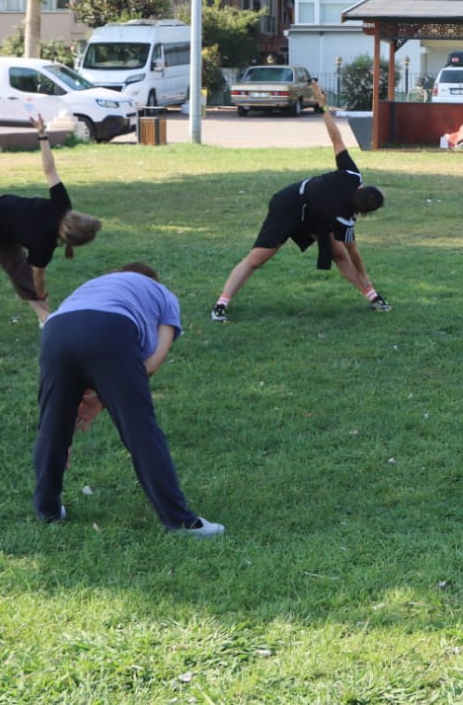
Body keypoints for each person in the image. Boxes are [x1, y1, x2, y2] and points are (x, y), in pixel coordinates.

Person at [32, 263, 223, 536]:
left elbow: (82, 347)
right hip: (111, 329)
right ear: (153, 280)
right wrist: (108, 391)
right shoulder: (163, 294)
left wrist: (86, 409)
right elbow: (150, 364)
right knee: (140, 430)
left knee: (52, 427)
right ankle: (181, 522)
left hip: (56, 329)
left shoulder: (95, 284)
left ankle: (47, 509)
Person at [210, 81, 387, 322]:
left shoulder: (352, 178)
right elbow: (353, 251)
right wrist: (364, 274)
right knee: (258, 258)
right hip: (288, 207)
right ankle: (222, 302)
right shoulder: (346, 214)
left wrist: (323, 108)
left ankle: (373, 297)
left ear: (362, 188)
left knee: (337, 254)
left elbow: (335, 138)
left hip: (312, 214)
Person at [0, 114, 101, 348]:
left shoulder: (59, 213)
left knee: (20, 272)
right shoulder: (48, 234)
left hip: (5, 227)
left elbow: (49, 170)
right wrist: (42, 294)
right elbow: (39, 277)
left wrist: (43, 135)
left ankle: (45, 319)